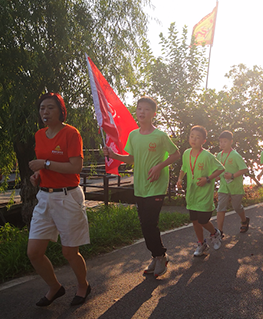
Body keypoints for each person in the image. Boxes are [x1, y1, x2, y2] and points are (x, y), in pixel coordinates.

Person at [103, 97, 180, 278]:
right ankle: (156, 256)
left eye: (146, 109)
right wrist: (114, 154)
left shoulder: (160, 136)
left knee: (149, 223)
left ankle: (161, 256)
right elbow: (132, 158)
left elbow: (176, 154)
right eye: (139, 109)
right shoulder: (133, 135)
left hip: (156, 186)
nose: (141, 112)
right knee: (145, 225)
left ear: (153, 113)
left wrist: (159, 166)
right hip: (140, 186)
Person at [27, 92, 91, 307]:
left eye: (50, 108)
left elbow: (76, 167)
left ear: (61, 110)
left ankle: (83, 285)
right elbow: (42, 168)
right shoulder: (39, 135)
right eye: (42, 108)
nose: (45, 112)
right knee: (34, 252)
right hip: (44, 197)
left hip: (67, 197)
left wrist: (44, 164)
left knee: (69, 251)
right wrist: (37, 176)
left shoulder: (71, 133)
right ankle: (55, 287)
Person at [177, 125, 225, 256]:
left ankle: (215, 233)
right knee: (194, 220)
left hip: (204, 193)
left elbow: (221, 169)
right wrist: (180, 179)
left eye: (198, 137)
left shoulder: (207, 156)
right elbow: (184, 167)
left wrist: (207, 179)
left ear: (204, 141)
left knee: (203, 220)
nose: (194, 139)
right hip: (192, 193)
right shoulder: (187, 153)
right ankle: (201, 243)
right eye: (192, 136)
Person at [215, 130, 250, 236]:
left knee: (236, 206)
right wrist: (216, 176)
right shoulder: (219, 156)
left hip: (235, 187)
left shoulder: (235, 155)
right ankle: (219, 231)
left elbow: (244, 169)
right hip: (223, 187)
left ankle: (244, 220)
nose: (222, 144)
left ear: (231, 142)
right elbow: (217, 169)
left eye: (225, 141)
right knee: (220, 207)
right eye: (221, 142)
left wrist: (233, 175)